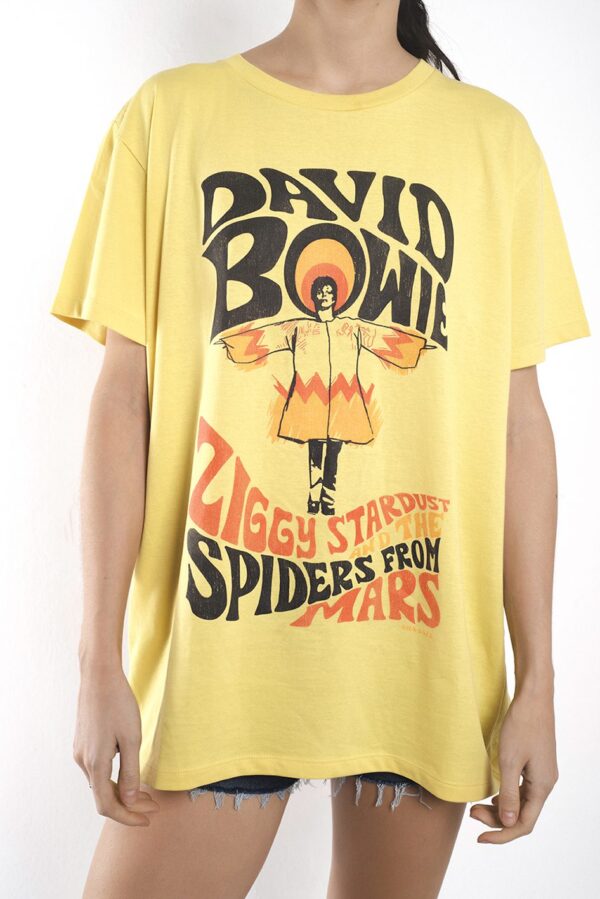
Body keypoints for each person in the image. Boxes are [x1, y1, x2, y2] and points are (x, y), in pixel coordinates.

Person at [49, 1, 591, 896]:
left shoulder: (493, 143)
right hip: (217, 655)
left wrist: (538, 678)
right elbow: (122, 400)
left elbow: (517, 422)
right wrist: (97, 658)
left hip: (421, 657)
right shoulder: (169, 118)